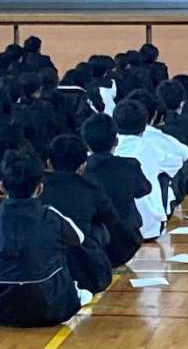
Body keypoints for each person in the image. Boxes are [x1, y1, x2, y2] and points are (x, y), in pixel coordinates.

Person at [0, 149, 90, 327]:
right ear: (40, 188)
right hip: (51, 309)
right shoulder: (50, 215)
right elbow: (79, 239)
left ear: (2, 186)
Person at [42, 135, 118, 294]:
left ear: (49, 163)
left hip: (41, 261)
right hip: (81, 267)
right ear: (83, 166)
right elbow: (112, 218)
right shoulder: (90, 188)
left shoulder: (38, 185)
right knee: (99, 228)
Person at [82, 114, 151, 267]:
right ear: (116, 141)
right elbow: (145, 189)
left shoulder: (83, 170)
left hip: (95, 244)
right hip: (128, 241)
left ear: (86, 143)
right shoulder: (130, 165)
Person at [113, 100, 169, 240]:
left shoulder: (111, 146)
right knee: (164, 176)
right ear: (145, 125)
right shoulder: (149, 146)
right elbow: (178, 159)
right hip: (150, 225)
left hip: (118, 226)